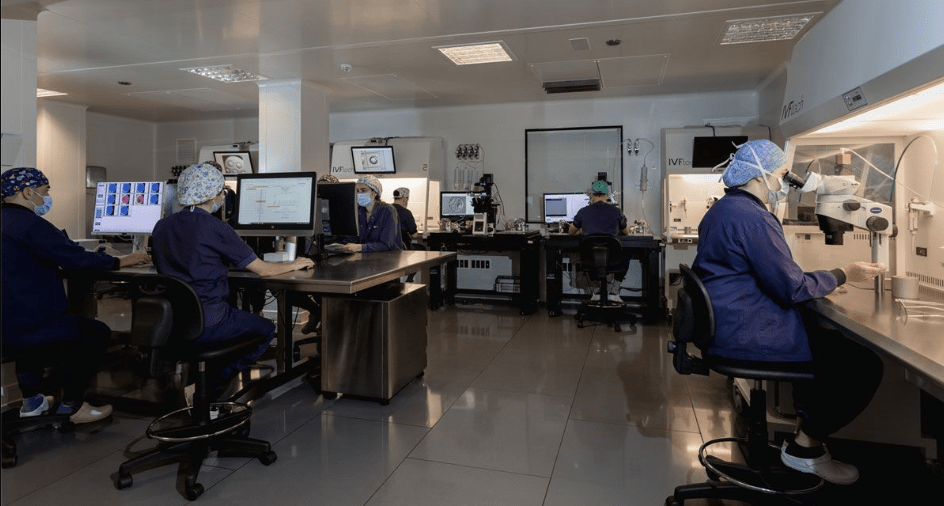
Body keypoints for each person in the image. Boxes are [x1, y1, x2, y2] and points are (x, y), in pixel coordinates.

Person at [692, 139, 886, 485]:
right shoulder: (755, 218)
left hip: (727, 324)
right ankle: (805, 447)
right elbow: (791, 288)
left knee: (821, 338)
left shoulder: (723, 210)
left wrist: (821, 281)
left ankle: (805, 436)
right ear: (760, 175)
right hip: (744, 333)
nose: (785, 182)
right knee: (862, 364)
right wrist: (844, 274)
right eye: (783, 173)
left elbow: (770, 275)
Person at [151, 163, 314, 401]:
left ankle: (199, 380)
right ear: (212, 195)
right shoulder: (216, 227)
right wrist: (294, 264)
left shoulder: (162, 225)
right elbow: (264, 270)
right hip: (209, 321)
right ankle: (210, 387)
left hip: (171, 321)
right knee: (266, 330)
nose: (222, 196)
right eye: (221, 191)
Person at [1, 167, 151, 423]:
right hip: (28, 325)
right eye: (45, 191)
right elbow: (75, 259)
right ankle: (72, 405)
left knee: (29, 339)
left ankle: (32, 401)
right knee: (95, 333)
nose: (47, 197)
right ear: (27, 192)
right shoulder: (31, 225)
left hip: (9, 324)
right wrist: (121, 261)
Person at [568, 179, 630, 302]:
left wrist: (582, 230)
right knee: (627, 252)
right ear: (607, 195)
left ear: (592, 195)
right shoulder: (616, 211)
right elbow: (626, 232)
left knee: (589, 254)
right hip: (613, 260)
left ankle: (596, 290)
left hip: (590, 260)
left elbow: (571, 231)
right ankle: (614, 291)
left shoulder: (583, 212)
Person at [338, 175, 403, 252]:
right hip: (365, 256)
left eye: (363, 190)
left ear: (374, 193)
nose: (359, 194)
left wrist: (360, 247)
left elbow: (386, 244)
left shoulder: (388, 210)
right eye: (357, 191)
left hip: (388, 256)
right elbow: (351, 238)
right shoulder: (358, 211)